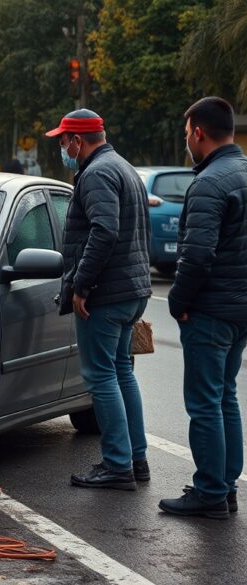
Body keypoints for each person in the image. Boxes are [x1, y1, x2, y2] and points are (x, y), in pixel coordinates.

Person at [45, 109, 152, 491]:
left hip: (106, 295)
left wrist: (81, 285)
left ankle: (117, 464)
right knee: (121, 372)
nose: (62, 147)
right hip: (131, 290)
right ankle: (135, 459)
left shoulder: (97, 174)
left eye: (64, 140)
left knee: (101, 376)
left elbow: (105, 232)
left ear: (79, 140)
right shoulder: (123, 167)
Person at [160, 97, 247, 519]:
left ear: (199, 132)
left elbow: (196, 255)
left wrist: (178, 302)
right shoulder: (243, 174)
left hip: (210, 310)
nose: (186, 142)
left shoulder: (210, 182)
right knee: (225, 396)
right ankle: (225, 485)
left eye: (186, 134)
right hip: (240, 309)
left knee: (205, 401)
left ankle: (210, 491)